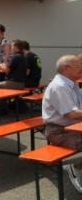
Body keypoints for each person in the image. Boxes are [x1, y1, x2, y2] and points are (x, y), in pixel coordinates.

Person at [42, 54, 82, 193]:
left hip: (73, 127)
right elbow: (71, 114)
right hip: (59, 131)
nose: (81, 68)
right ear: (66, 68)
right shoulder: (59, 86)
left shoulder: (72, 84)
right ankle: (75, 167)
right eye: (78, 66)